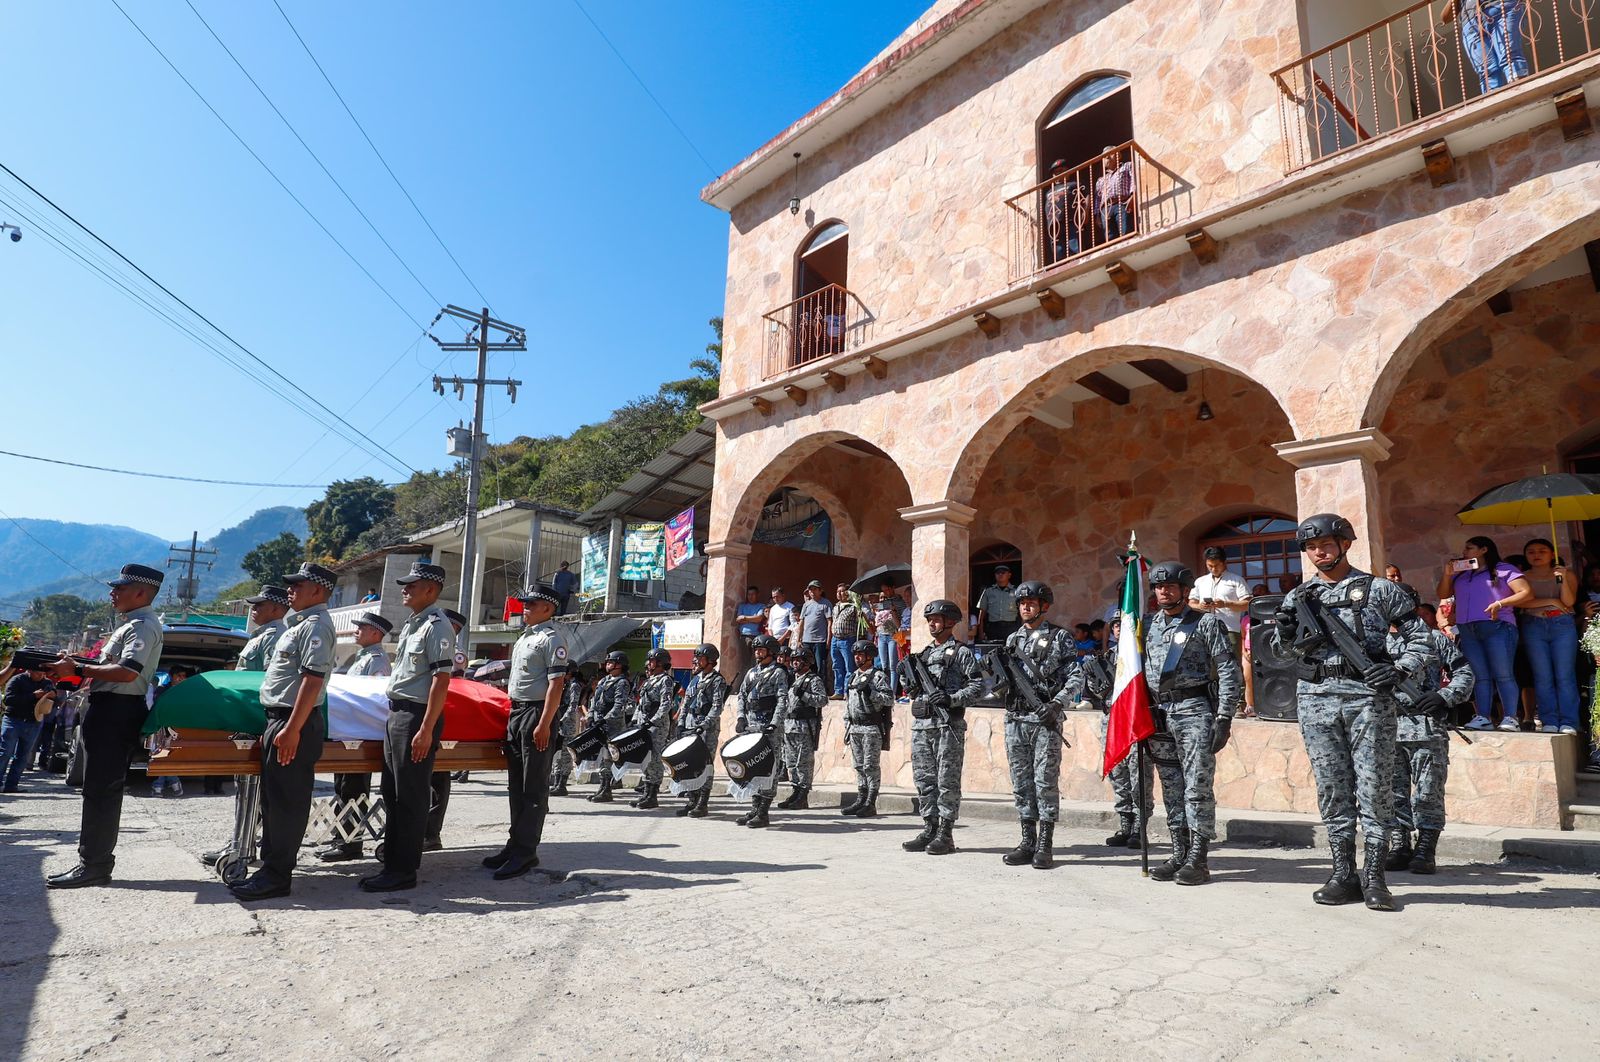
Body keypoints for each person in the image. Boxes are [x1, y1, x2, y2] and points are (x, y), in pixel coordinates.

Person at [1273, 514, 1433, 912]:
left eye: (1326, 544)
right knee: (1332, 787)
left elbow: (1422, 640)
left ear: (1345, 543)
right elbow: (1280, 654)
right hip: (1316, 699)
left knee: (1375, 786)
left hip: (1368, 698)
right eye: (1311, 547)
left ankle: (1375, 876)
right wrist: (1284, 631)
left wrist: (1397, 669)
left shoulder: (1380, 589)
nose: (1319, 552)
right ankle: (1343, 873)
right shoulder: (1299, 596)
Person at [44, 563, 165, 889]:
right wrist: (73, 666)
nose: (112, 593)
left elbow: (127, 672)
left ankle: (94, 865)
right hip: (108, 710)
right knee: (97, 790)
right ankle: (93, 862)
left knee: (102, 792)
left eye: (120, 588)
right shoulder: (130, 625)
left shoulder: (142, 626)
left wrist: (80, 670)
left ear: (140, 592)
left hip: (117, 712)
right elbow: (106, 666)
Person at [229, 562, 337, 902]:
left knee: (287, 802)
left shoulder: (317, 626)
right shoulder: (299, 625)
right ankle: (270, 870)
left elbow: (312, 680)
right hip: (281, 719)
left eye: (299, 584)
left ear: (317, 590)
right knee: (273, 801)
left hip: (296, 721)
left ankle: (277, 877)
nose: (290, 589)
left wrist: (292, 728)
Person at [1142, 561, 1244, 885]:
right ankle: (1178, 852)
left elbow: (1229, 671)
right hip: (1159, 714)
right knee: (1171, 787)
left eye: (1170, 586)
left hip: (1193, 711)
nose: (1163, 591)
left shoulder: (1206, 624)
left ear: (1186, 591)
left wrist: (1225, 717)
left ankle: (1198, 859)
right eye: (1159, 586)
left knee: (1196, 787)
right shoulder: (1147, 625)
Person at [359, 564, 454, 893]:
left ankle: (403, 870)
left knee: (409, 795)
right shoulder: (414, 625)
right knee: (392, 792)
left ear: (430, 590)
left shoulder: (436, 626)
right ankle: (393, 863)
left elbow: (442, 681)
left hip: (416, 716)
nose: (405, 589)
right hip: (397, 714)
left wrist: (426, 729)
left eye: (412, 585)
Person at [1385, 584, 1474, 877]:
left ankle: (1425, 848)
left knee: (1427, 792)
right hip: (1385, 727)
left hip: (1425, 725)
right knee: (1391, 792)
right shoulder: (1373, 643)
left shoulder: (1435, 639)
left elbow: (1465, 673)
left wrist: (1444, 697)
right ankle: (1399, 845)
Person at [484, 583, 568, 880]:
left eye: (532, 604)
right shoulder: (525, 637)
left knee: (533, 788)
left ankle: (526, 852)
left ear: (548, 608)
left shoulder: (551, 639)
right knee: (515, 786)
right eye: (525, 604)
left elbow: (556, 685)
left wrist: (545, 723)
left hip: (536, 715)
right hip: (517, 712)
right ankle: (514, 844)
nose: (526, 608)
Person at [999, 580, 1083, 870]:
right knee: (1021, 783)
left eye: (1031, 602)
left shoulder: (1061, 638)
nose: (1025, 607)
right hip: (1016, 719)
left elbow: (1076, 677)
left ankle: (1045, 844)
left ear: (1044, 606)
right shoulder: (1012, 640)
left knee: (1044, 782)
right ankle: (1027, 841)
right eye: (1022, 603)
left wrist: (1058, 703)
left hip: (1045, 719)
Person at [901, 600, 983, 855]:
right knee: (924, 780)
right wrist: (907, 677)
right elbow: (911, 688)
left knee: (946, 780)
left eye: (936, 619)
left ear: (950, 621)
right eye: (929, 620)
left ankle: (945, 834)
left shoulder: (961, 652)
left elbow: (978, 686)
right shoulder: (923, 654)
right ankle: (929, 827)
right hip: (922, 726)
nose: (932, 623)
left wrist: (952, 699)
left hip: (948, 725)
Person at [316, 612, 395, 863]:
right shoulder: (361, 658)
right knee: (342, 786)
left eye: (362, 628)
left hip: (360, 736)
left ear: (376, 633)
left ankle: (350, 843)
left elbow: (373, 699)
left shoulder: (378, 660)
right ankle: (342, 836)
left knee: (354, 789)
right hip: (348, 732)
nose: (356, 631)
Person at [1435, 535, 1531, 731]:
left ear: (1484, 549)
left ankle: (1510, 717)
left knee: (1503, 674)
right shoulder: (1462, 573)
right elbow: (1443, 594)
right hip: (1467, 628)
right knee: (1480, 675)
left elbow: (1526, 592)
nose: (1464, 552)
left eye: (1469, 548)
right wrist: (1447, 574)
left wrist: (1500, 603)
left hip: (1498, 626)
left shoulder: (1503, 569)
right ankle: (1483, 717)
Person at [1517, 538, 1581, 735]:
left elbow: (1569, 601)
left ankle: (1569, 720)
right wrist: (1552, 601)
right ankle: (1549, 720)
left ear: (1552, 554)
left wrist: (1561, 579)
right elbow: (1522, 603)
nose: (1536, 555)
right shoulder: (1522, 576)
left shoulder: (1565, 574)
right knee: (1542, 676)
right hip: (1533, 625)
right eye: (1531, 551)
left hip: (1562, 625)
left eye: (1542, 551)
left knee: (1565, 675)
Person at [735, 634, 791, 828]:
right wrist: (741, 717)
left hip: (768, 729)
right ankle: (754, 808)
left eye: (762, 649)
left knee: (769, 768)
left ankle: (763, 812)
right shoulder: (751, 673)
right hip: (751, 726)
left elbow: (783, 700)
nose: (758, 652)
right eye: (756, 649)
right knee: (753, 768)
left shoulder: (778, 673)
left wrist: (775, 723)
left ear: (771, 652)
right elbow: (741, 695)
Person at [841, 639, 894, 819]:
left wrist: (871, 693)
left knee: (870, 765)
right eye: (855, 654)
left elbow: (888, 699)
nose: (857, 657)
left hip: (871, 726)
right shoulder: (853, 676)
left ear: (870, 656)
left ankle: (870, 802)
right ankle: (861, 798)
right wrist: (847, 724)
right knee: (858, 766)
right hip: (855, 726)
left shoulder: (878, 676)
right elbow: (849, 703)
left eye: (860, 654)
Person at [676, 644, 726, 818]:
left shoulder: (717, 680)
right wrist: (681, 723)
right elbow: (686, 704)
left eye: (700, 658)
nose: (696, 661)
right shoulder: (695, 680)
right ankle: (692, 800)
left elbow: (716, 707)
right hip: (690, 726)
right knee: (690, 765)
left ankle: (702, 803)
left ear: (711, 661)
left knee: (705, 766)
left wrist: (703, 725)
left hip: (706, 730)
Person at [778, 646, 828, 810]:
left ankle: (803, 795)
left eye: (799, 660)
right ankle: (795, 791)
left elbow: (822, 700)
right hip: (789, 726)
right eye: (793, 660)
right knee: (791, 762)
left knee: (803, 762)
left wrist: (804, 695)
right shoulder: (791, 679)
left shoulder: (813, 680)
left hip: (804, 727)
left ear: (807, 662)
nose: (795, 663)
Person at [1444, 0, 1530, 94]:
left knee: (1510, 56)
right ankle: (1494, 98)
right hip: (1471, 23)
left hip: (1500, 6)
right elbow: (1445, 18)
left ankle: (1520, 90)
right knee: (1487, 71)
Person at [630, 648, 679, 810]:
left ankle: (652, 795)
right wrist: (635, 720)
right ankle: (646, 792)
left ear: (660, 663)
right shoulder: (650, 680)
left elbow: (666, 705)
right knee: (646, 758)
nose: (648, 663)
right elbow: (641, 703)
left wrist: (653, 721)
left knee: (654, 759)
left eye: (652, 660)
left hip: (656, 726)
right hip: (644, 724)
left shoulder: (665, 680)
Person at [585, 651, 635, 803]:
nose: (607, 665)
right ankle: (603, 786)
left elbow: (619, 705)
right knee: (602, 757)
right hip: (600, 724)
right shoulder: (603, 681)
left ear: (619, 665)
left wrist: (605, 719)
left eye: (611, 662)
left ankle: (607, 789)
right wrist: (591, 716)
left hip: (612, 726)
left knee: (608, 758)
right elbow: (595, 700)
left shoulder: (622, 682)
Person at [1, 662, 56, 793]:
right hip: (13, 720)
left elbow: (55, 699)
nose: (41, 676)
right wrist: (33, 696)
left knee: (23, 756)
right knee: (5, 753)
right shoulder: (17, 680)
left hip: (34, 722)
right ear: (29, 671)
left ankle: (11, 786)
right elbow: (8, 699)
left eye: (43, 673)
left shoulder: (46, 682)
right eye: (38, 673)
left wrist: (53, 695)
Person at [1190, 546, 1251, 656]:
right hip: (1205, 631)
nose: (1213, 569)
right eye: (1210, 566)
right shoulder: (1200, 581)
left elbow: (1247, 604)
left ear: (1224, 563)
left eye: (1216, 565)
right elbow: (1191, 604)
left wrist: (1225, 604)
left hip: (1229, 630)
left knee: (1232, 665)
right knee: (1208, 667)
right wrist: (1200, 606)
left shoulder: (1237, 580)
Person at [147, 664, 191, 797]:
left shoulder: (187, 692)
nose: (181, 679)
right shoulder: (162, 690)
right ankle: (170, 783)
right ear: (171, 676)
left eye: (184, 676)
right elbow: (157, 706)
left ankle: (163, 784)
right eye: (179, 676)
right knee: (161, 755)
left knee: (173, 755)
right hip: (162, 727)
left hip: (178, 728)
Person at [550, 664, 586, 796]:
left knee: (565, 754)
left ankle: (562, 784)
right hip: (560, 722)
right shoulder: (565, 684)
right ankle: (557, 781)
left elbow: (572, 706)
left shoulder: (574, 685)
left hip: (567, 724)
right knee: (558, 754)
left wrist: (561, 719)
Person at [829, 582, 866, 697]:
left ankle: (847, 690)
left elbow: (860, 624)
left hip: (847, 639)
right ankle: (838, 690)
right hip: (835, 639)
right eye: (838, 591)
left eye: (842, 591)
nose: (839, 593)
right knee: (837, 666)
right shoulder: (835, 607)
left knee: (849, 666)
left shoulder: (853, 607)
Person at [1096, 144, 1136, 241]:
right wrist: (1097, 214)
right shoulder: (1101, 180)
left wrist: (1133, 196)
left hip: (1121, 203)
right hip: (1105, 209)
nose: (1107, 157)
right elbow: (1098, 198)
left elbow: (1134, 181)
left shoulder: (1127, 166)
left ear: (1118, 155)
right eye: (1104, 156)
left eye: (1110, 154)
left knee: (1125, 232)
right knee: (1110, 238)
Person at [798, 581, 833, 687]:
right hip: (806, 640)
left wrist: (828, 640)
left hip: (820, 640)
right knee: (807, 665)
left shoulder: (826, 604)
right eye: (810, 590)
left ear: (820, 591)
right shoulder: (806, 605)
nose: (812, 592)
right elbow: (801, 623)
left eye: (814, 589)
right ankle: (808, 687)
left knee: (820, 666)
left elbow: (829, 622)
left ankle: (820, 688)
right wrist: (799, 639)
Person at [872, 593, 902, 697]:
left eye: (885, 597)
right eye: (881, 598)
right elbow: (875, 624)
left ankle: (892, 693)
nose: (883, 600)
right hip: (881, 637)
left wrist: (893, 610)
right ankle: (885, 689)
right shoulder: (878, 609)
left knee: (893, 665)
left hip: (892, 636)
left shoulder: (894, 606)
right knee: (884, 666)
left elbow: (898, 623)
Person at [734, 586, 767, 676]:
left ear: (757, 595)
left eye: (753, 594)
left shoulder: (761, 606)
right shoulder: (742, 606)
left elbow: (759, 618)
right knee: (745, 662)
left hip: (756, 637)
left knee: (756, 661)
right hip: (744, 636)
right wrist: (753, 618)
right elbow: (738, 620)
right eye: (749, 594)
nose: (750, 596)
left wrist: (745, 617)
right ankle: (746, 681)